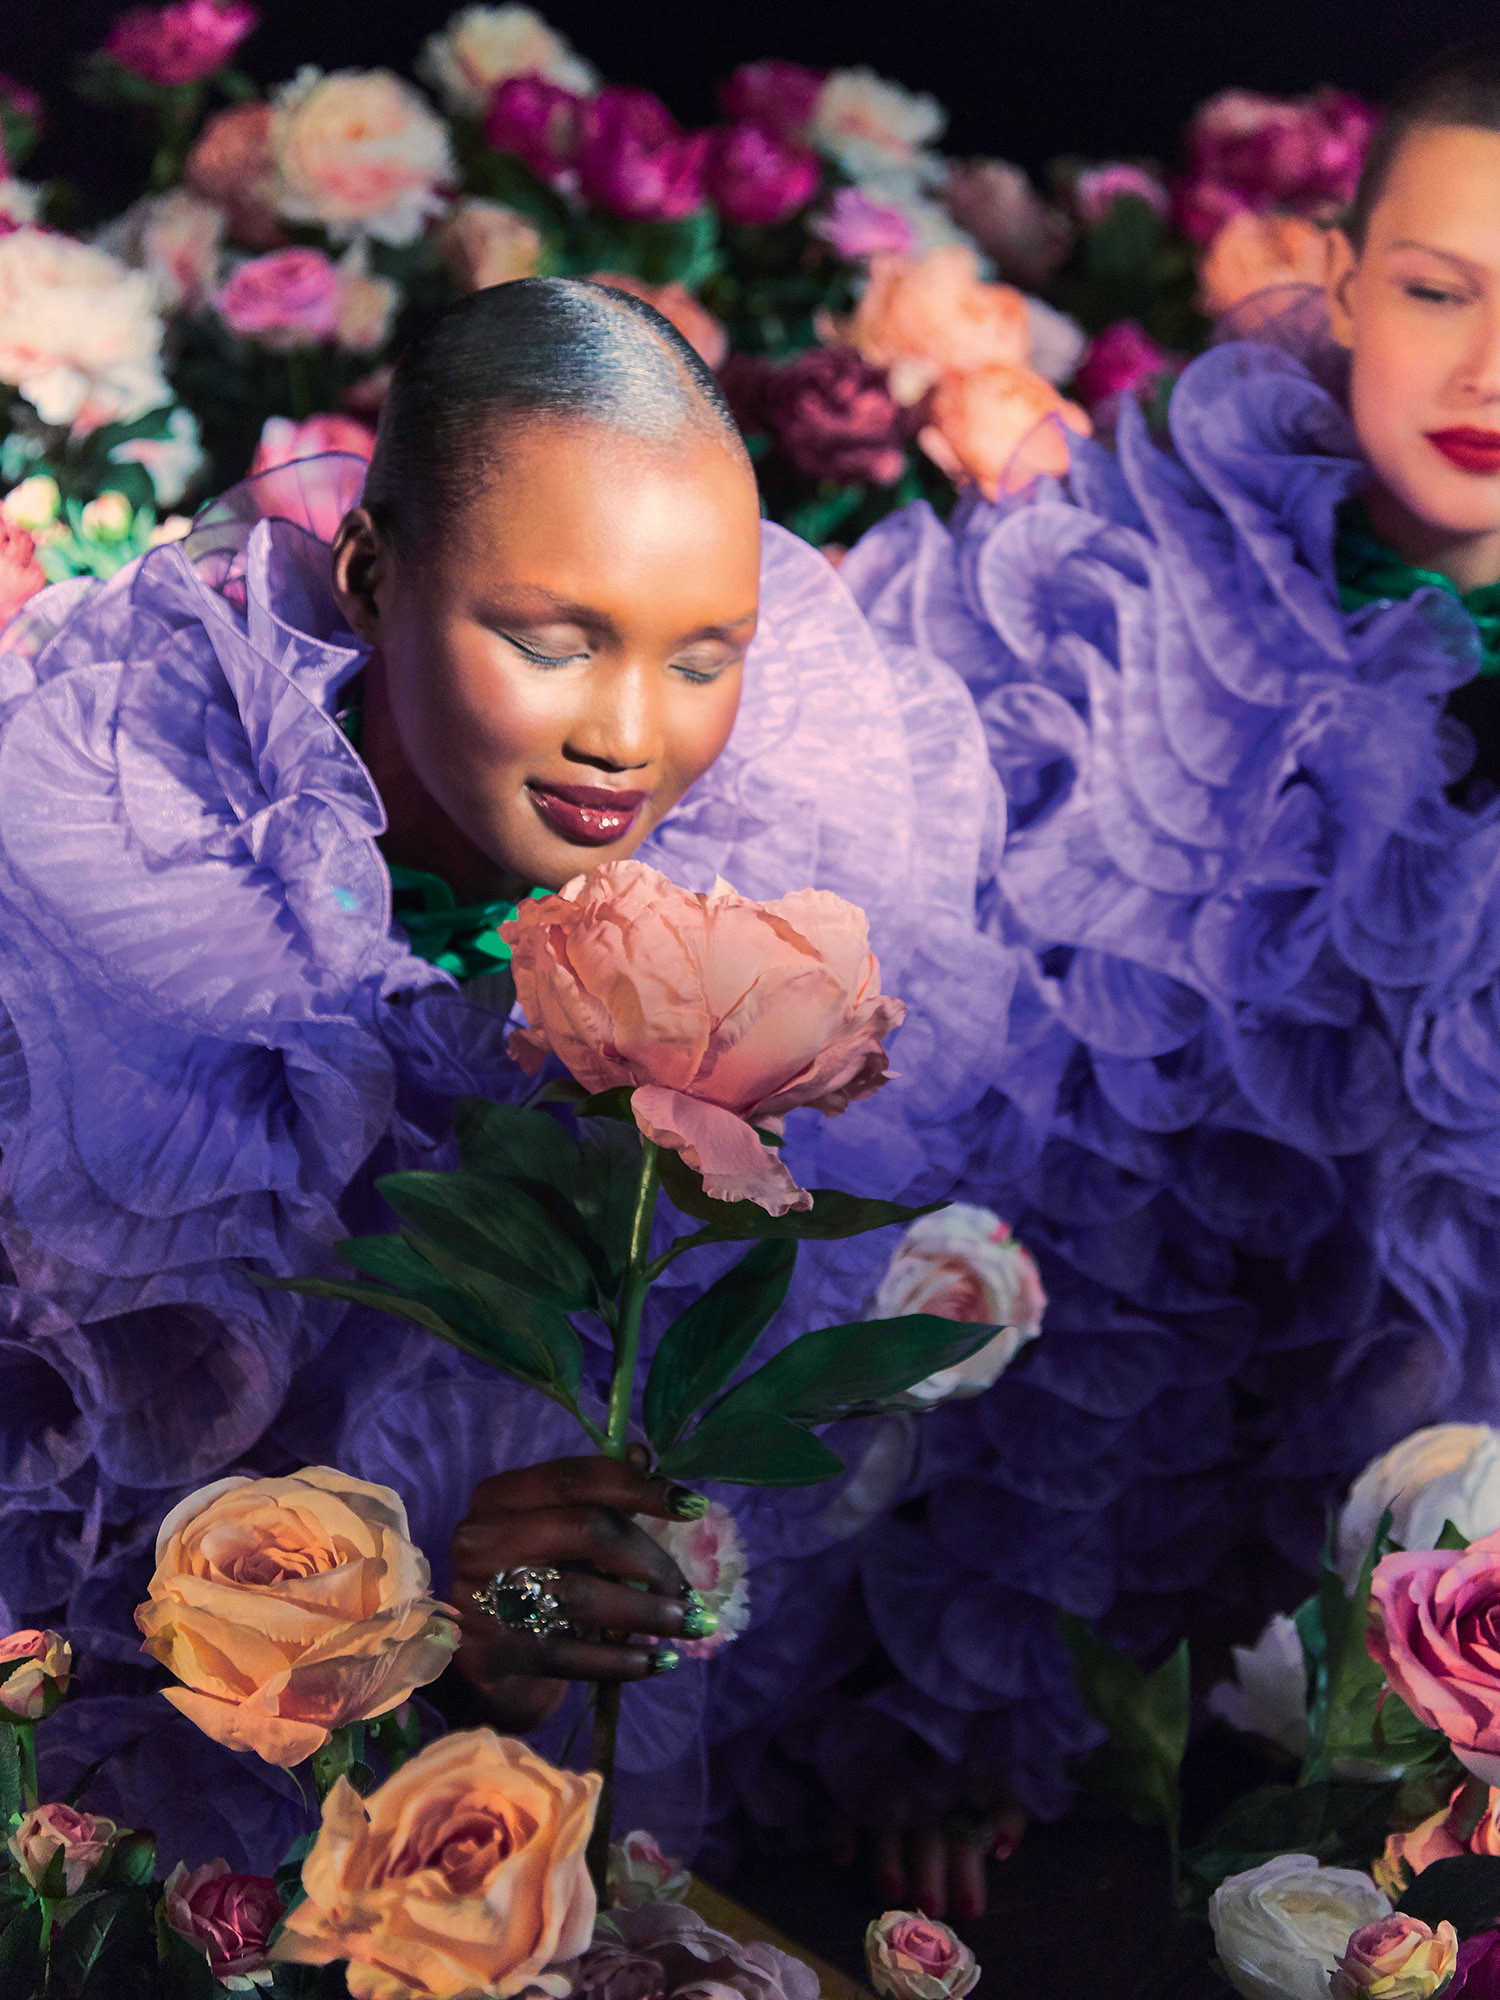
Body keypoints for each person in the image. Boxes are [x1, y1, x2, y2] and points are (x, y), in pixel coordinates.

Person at [0, 281, 1012, 1880]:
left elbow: (598, 1601)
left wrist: (508, 1629)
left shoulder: (766, 896)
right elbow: (82, 1565)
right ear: (371, 571)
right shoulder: (131, 883)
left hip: (486, 1828)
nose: (630, 736)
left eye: (705, 657)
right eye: (550, 640)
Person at [817, 35, 1500, 1905]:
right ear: (1340, 281)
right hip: (1078, 1494)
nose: (1487, 373)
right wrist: (968, 1692)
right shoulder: (1132, 579)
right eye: (1437, 291)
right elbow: (1035, 1189)